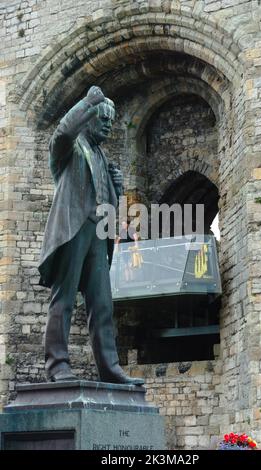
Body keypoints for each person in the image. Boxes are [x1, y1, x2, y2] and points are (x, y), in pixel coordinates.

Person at [38, 86, 144, 385]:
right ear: (88, 119)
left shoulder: (102, 156)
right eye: (103, 118)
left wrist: (117, 188)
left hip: (98, 233)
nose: (109, 124)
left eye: (112, 119)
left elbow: (107, 200)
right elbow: (61, 132)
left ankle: (110, 367)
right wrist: (88, 101)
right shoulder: (68, 151)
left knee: (102, 305)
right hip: (72, 230)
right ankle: (57, 365)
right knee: (65, 299)